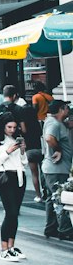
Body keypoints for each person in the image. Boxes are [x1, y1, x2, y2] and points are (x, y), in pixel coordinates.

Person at [0, 115, 29, 261]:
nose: (12, 130)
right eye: (9, 127)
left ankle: (11, 247)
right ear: (3, 126)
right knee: (10, 213)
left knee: (15, 213)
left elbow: (24, 162)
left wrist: (22, 150)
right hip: (6, 177)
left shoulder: (16, 138)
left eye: (14, 127)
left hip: (20, 176)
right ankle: (3, 249)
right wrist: (7, 152)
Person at [42, 99, 73, 242]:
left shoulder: (57, 123)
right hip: (56, 168)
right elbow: (49, 138)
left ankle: (51, 227)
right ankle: (64, 229)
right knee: (60, 198)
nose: (68, 110)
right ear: (62, 109)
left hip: (55, 168)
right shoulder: (53, 123)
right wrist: (58, 149)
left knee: (52, 198)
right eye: (67, 108)